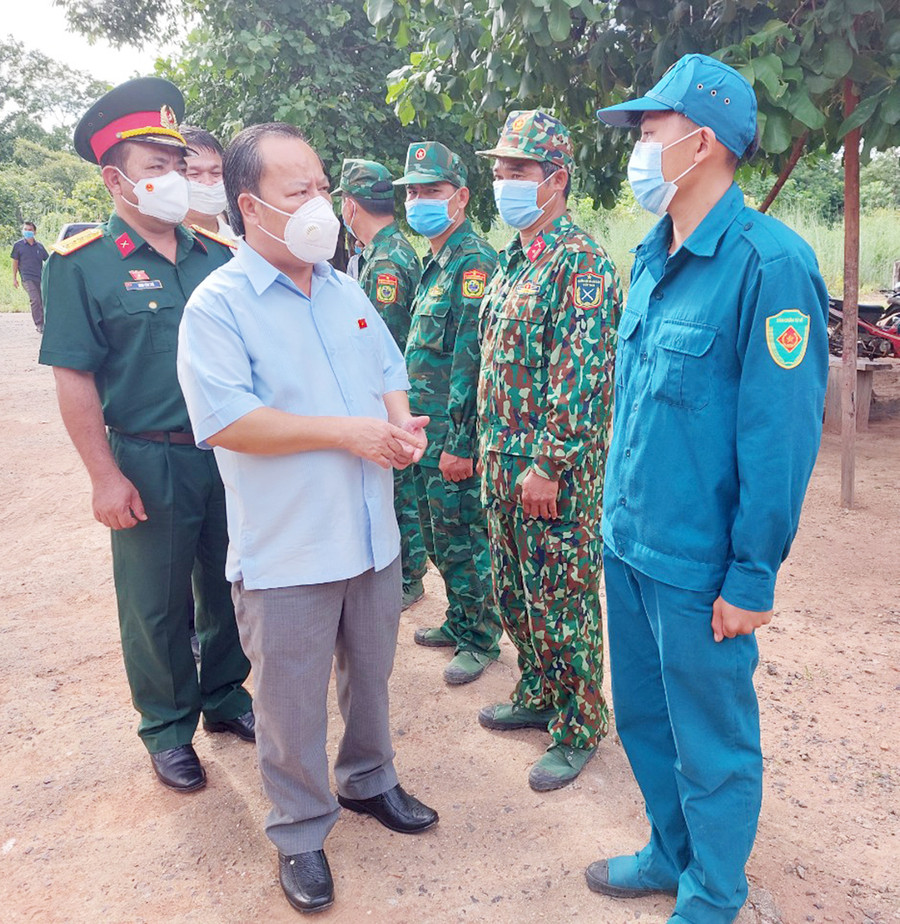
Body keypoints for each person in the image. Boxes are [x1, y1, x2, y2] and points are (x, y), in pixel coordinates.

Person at [176, 122, 438, 914]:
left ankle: (369, 780)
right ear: (251, 207)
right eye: (302, 192)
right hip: (291, 545)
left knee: (373, 674)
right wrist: (345, 433)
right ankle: (299, 830)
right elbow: (227, 421)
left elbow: (388, 370)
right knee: (288, 700)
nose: (322, 203)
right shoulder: (217, 307)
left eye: (324, 186)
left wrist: (400, 428)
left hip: (369, 532)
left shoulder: (345, 287)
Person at [591, 54, 829, 922]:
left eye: (649, 131)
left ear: (702, 143)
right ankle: (670, 851)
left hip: (699, 565)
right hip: (632, 545)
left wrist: (751, 576)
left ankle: (715, 893)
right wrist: (611, 523)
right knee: (645, 722)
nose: (638, 148)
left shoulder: (772, 267)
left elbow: (779, 440)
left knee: (711, 740)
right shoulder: (651, 257)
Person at [38, 78, 254, 795]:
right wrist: (104, 476)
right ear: (115, 178)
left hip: (227, 453)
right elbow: (74, 378)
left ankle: (225, 697)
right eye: (154, 166)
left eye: (177, 160)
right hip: (147, 454)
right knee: (155, 602)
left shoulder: (218, 254)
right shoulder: (83, 263)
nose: (172, 177)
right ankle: (167, 727)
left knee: (230, 583)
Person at [475, 110, 621, 791]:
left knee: (561, 601)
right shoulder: (512, 260)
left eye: (518, 172)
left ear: (555, 179)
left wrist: (550, 464)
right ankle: (537, 692)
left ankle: (580, 721)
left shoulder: (582, 265)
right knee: (514, 593)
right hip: (501, 464)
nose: (503, 181)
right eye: (499, 170)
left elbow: (584, 378)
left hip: (548, 475)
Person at [395, 141, 502, 686]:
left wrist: (462, 441)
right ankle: (460, 619)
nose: (418, 201)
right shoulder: (437, 262)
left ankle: (481, 636)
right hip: (424, 432)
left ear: (459, 197)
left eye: (430, 191)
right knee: (438, 537)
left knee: (463, 535)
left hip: (452, 438)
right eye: (412, 191)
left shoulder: (474, 262)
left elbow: (473, 360)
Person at [336, 158, 428, 609]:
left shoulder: (387, 260)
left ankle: (409, 577)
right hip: (398, 395)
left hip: (394, 398)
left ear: (350, 206)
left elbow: (382, 343)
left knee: (401, 492)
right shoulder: (384, 251)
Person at [181, 126, 237, 242]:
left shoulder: (242, 244)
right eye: (194, 174)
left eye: (216, 173)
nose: (208, 182)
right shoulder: (161, 246)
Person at [11, 221, 49, 332]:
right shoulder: (18, 246)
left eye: (30, 230)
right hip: (26, 278)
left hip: (39, 277)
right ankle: (39, 324)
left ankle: (45, 322)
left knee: (42, 300)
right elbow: (15, 262)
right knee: (35, 300)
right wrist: (14, 278)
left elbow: (48, 261)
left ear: (34, 232)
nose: (27, 232)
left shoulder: (40, 247)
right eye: (25, 230)